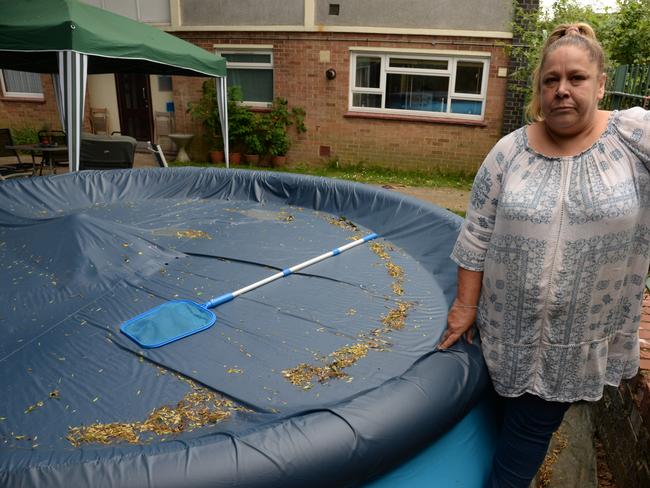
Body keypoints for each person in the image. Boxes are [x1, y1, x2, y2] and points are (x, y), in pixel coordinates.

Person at [437, 22, 650, 488]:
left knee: (524, 442)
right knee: (498, 420)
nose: (562, 90)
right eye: (551, 80)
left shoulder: (634, 142)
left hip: (573, 344)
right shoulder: (508, 152)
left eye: (576, 78)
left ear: (600, 83)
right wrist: (463, 309)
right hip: (500, 332)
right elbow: (476, 235)